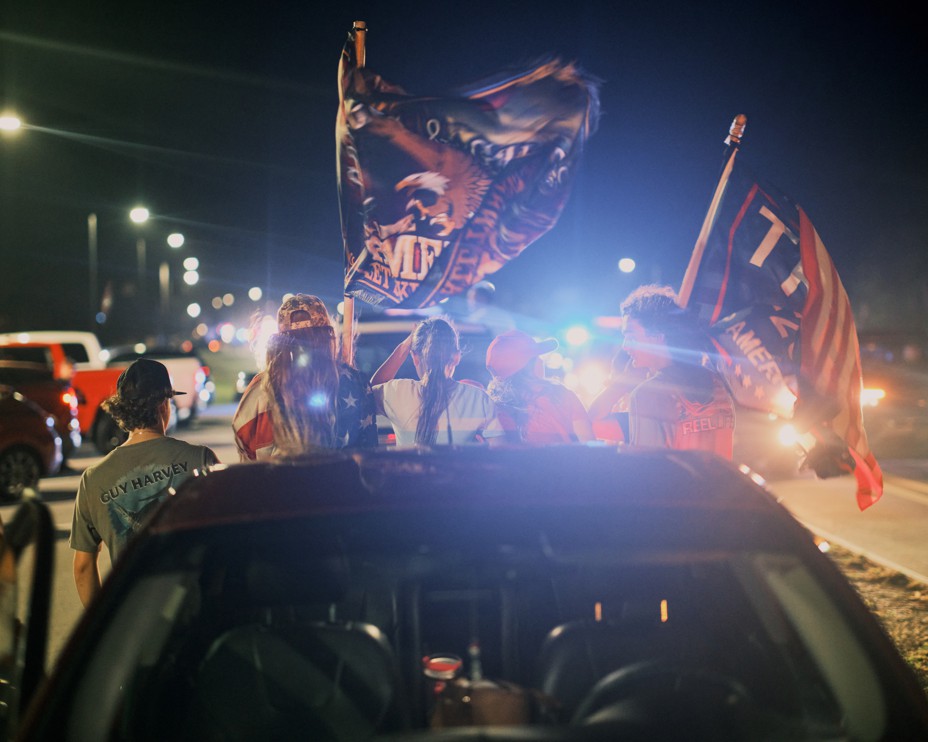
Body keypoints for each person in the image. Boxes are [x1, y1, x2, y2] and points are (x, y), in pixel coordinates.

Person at [70, 359, 218, 606]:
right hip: (196, 608)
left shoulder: (93, 479)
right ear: (163, 404)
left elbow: (84, 567)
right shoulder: (200, 458)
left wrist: (103, 630)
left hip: (137, 622)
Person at [592, 285, 735, 458]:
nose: (625, 346)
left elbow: (588, 423)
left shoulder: (648, 394)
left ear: (659, 336)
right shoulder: (719, 383)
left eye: (631, 336)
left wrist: (623, 383)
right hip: (724, 484)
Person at [232, 294, 377, 459]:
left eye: (310, 338)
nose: (305, 346)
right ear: (328, 336)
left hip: (276, 482)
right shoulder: (354, 381)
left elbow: (244, 444)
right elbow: (369, 453)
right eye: (299, 340)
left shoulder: (262, 387)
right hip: (332, 482)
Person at [371, 317, 503, 446]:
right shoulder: (478, 399)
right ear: (457, 357)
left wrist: (405, 346)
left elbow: (369, 392)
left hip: (409, 468)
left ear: (415, 357)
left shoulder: (397, 391)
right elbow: (499, 454)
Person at [486, 330, 594, 444]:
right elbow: (588, 445)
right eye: (537, 356)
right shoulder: (561, 395)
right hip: (564, 461)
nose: (541, 360)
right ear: (528, 366)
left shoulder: (488, 406)